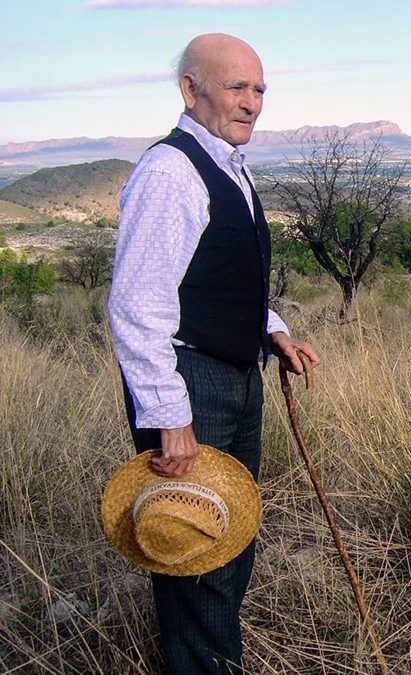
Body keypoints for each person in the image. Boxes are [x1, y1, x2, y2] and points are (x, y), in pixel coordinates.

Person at [107, 33, 319, 674]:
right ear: (190, 89)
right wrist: (171, 415)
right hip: (190, 382)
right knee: (194, 550)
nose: (253, 102)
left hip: (232, 374)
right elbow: (139, 305)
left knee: (224, 542)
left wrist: (271, 329)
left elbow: (217, 273)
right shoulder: (172, 172)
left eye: (259, 90)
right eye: (237, 87)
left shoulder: (225, 163)